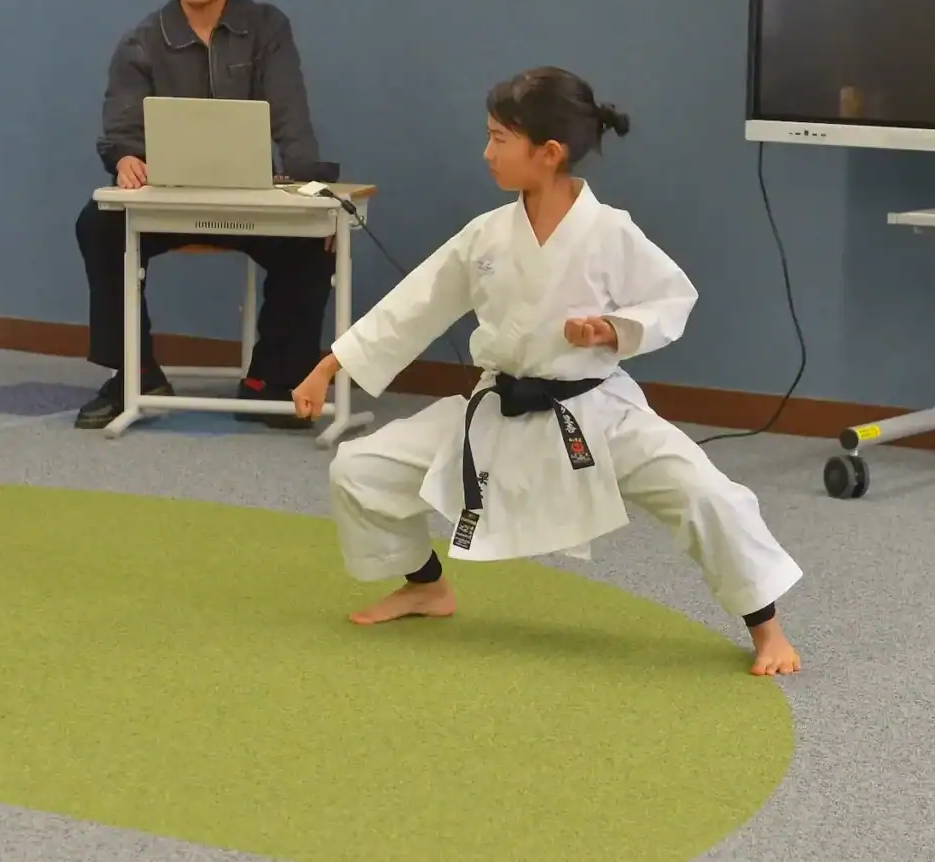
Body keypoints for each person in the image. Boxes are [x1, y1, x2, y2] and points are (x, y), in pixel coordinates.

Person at [291, 67, 804, 676]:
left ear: (549, 153)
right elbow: (415, 304)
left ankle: (767, 628)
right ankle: (425, 586)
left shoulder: (610, 230)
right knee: (359, 468)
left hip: (594, 413)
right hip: (498, 411)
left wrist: (613, 330)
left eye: (499, 140)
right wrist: (329, 365)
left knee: (708, 495)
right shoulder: (486, 235)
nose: (486, 153)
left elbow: (671, 301)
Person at [73, 0, 339, 431]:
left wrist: (309, 183)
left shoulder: (266, 28)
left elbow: (290, 116)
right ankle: (134, 373)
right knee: (97, 225)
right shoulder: (142, 40)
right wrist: (126, 158)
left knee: (316, 239)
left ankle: (274, 378)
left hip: (249, 201)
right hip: (168, 201)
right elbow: (120, 132)